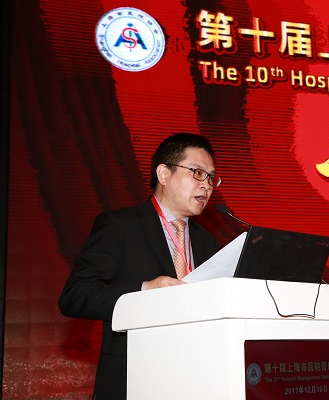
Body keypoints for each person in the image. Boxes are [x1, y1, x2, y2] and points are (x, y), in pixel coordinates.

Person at [59, 133, 221, 399]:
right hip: (134, 379)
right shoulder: (120, 227)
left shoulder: (208, 242)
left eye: (212, 177)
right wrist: (144, 291)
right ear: (164, 174)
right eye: (198, 173)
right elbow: (75, 295)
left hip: (195, 378)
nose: (207, 185)